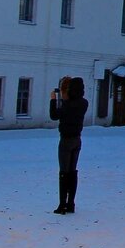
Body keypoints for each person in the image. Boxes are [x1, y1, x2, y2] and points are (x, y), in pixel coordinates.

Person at [50, 76, 88, 214]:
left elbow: (54, 115)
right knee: (72, 171)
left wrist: (53, 100)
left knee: (63, 172)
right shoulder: (84, 103)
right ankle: (71, 203)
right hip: (77, 140)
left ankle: (62, 205)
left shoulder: (67, 105)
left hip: (66, 140)